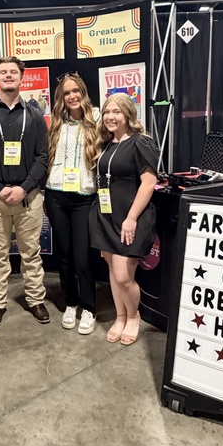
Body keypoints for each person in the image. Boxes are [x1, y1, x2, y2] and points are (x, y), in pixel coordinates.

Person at [0, 56, 49, 328]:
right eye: (2, 72)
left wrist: (23, 188)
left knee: (31, 253)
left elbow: (42, 157)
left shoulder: (35, 116)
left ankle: (36, 300)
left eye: (13, 72)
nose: (8, 76)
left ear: (21, 77)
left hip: (29, 197)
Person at [90, 93, 158, 346]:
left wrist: (131, 218)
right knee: (111, 269)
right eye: (107, 111)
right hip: (107, 216)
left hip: (131, 218)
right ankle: (119, 316)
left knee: (123, 276)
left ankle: (133, 316)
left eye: (117, 111)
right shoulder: (106, 144)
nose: (110, 116)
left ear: (128, 114)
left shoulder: (141, 142)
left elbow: (148, 183)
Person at [45, 72, 99, 335]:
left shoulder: (97, 121)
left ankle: (88, 307)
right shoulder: (55, 124)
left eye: (76, 91)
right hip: (56, 195)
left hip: (84, 197)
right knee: (64, 255)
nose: (72, 96)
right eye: (66, 93)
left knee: (82, 257)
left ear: (83, 92)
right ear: (61, 98)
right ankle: (71, 303)